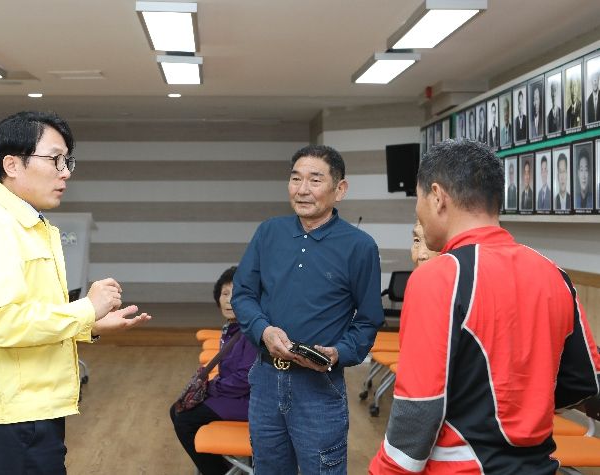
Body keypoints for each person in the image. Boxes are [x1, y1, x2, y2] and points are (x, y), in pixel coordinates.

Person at [369, 139, 600, 474]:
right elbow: (585, 381)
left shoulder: (438, 277)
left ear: (437, 197)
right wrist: (523, 409)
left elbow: (418, 411)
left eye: (417, 199)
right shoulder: (554, 274)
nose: (418, 209)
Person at [0, 111, 151, 474]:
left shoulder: (25, 224)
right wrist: (86, 309)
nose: (65, 172)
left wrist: (89, 325)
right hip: (12, 414)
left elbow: (30, 315)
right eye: (55, 159)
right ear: (12, 164)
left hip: (32, 406)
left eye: (67, 161)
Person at [232, 144, 384, 474]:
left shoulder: (359, 247)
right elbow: (242, 295)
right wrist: (263, 330)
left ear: (339, 189)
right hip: (265, 380)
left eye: (315, 180)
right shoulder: (269, 232)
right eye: (295, 178)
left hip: (319, 388)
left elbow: (369, 320)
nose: (302, 189)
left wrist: (339, 353)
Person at [170, 266, 258, 475]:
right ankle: (223, 468)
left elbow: (245, 379)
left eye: (235, 294)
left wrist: (211, 388)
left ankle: (216, 471)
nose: (228, 301)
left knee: (184, 419)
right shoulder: (233, 328)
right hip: (236, 395)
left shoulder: (251, 332)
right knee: (177, 409)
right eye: (224, 294)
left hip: (251, 402)